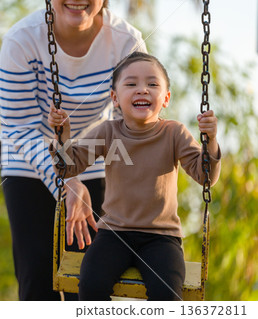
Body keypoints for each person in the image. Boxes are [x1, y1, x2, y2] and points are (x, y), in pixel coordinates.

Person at [0, 1, 147, 300]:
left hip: (92, 156)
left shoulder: (126, 42)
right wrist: (65, 181)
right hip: (27, 160)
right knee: (38, 278)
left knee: (94, 276)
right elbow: (19, 128)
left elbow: (130, 123)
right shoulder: (21, 41)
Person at [48, 52, 221, 301]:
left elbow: (205, 176)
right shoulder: (107, 131)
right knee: (91, 285)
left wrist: (211, 140)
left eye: (152, 84)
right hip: (114, 233)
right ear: (115, 98)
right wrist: (62, 136)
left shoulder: (174, 133)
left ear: (166, 98)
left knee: (166, 293)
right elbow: (68, 167)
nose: (142, 90)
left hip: (162, 238)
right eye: (131, 84)